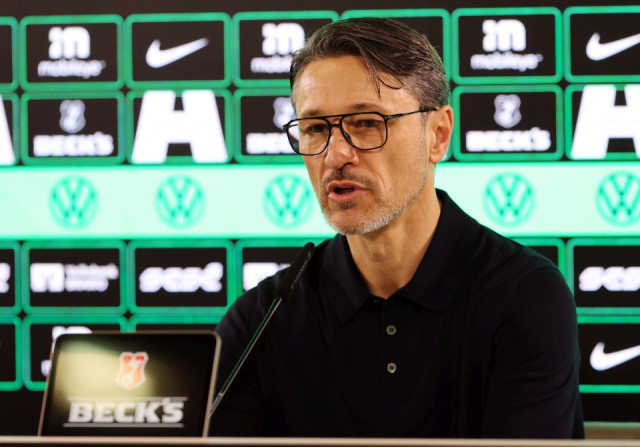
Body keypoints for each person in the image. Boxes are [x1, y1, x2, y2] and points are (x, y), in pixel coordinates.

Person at [210, 17, 583, 438]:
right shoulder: (260, 320)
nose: (335, 155)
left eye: (367, 122)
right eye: (315, 129)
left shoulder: (525, 297)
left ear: (437, 135)